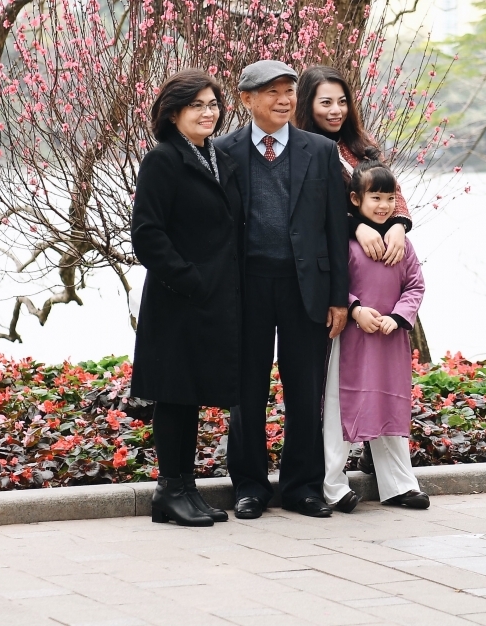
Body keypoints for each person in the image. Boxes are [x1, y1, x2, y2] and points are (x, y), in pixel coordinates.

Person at [214, 60, 349, 520]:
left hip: (304, 287)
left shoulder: (320, 151)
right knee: (245, 391)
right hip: (246, 287)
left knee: (305, 390)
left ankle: (302, 487)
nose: (284, 99)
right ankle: (249, 487)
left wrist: (339, 298)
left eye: (289, 90)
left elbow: (336, 229)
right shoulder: (222, 151)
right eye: (271, 91)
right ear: (247, 100)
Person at [130, 69, 243, 527]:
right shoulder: (163, 159)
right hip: (178, 300)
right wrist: (192, 281)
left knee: (191, 396)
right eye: (197, 105)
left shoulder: (213, 156)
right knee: (174, 397)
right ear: (174, 112)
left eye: (213, 104)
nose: (208, 112)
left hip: (210, 302)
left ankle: (186, 488)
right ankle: (169, 490)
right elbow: (147, 235)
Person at [323, 152, 429, 510]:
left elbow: (415, 286)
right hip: (351, 339)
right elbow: (334, 280)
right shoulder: (348, 242)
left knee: (389, 404)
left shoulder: (402, 245)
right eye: (375, 198)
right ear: (355, 199)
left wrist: (398, 318)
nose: (383, 206)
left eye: (388, 198)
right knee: (341, 407)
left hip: (389, 340)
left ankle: (399, 483)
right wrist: (355, 309)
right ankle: (333, 484)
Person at [295, 65, 412, 266]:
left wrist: (399, 224)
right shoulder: (298, 150)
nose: (336, 110)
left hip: (382, 255)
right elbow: (312, 210)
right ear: (307, 105)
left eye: (342, 102)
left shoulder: (363, 142)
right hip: (336, 259)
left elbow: (390, 186)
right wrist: (355, 227)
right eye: (326, 103)